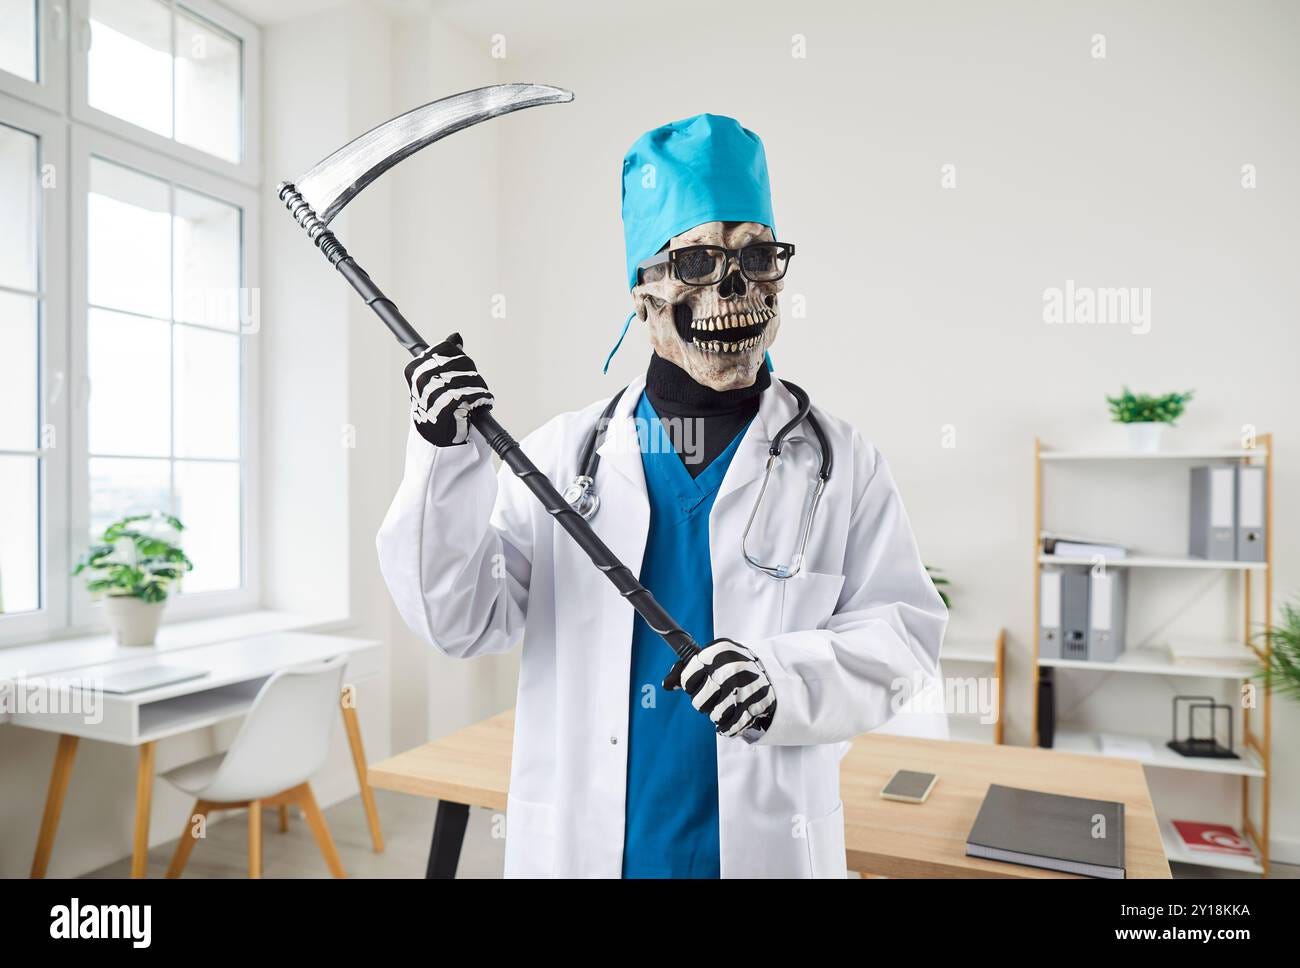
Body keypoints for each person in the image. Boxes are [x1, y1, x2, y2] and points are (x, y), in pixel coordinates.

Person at [377, 113, 947, 878]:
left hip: (766, 848)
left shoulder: (842, 463)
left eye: (757, 256)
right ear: (644, 294)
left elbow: (902, 637)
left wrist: (780, 679)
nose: (736, 288)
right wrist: (443, 455)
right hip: (587, 851)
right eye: (698, 262)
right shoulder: (561, 457)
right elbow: (461, 621)